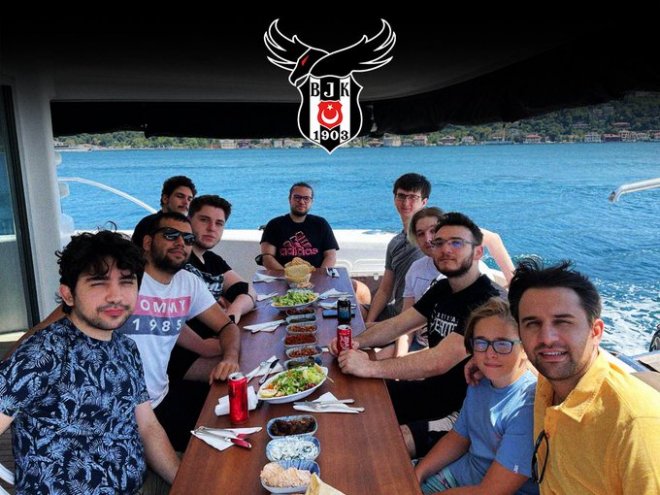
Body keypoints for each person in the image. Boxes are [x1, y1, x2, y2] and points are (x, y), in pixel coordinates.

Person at [0, 231, 179, 494]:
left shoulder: (126, 348)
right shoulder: (42, 354)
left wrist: (186, 482)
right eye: (98, 283)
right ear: (68, 294)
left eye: (126, 282)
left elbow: (148, 427)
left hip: (137, 484)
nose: (115, 296)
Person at [332, 212, 504, 457]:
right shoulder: (443, 289)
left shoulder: (489, 302)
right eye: (439, 243)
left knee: (386, 443)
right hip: (433, 392)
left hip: (464, 412)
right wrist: (353, 341)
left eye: (456, 242)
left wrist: (370, 367)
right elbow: (397, 325)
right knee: (358, 396)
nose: (445, 249)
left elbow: (438, 361)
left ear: (478, 252)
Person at [507, 258, 660, 494]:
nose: (547, 338)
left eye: (563, 322)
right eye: (532, 324)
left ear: (595, 332)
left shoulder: (634, 424)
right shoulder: (548, 384)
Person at [118, 212, 241, 451]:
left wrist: (230, 358)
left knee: (231, 421)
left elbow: (227, 326)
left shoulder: (187, 282)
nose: (180, 243)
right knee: (208, 451)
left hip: (161, 397)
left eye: (188, 239)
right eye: (171, 235)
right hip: (124, 411)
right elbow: (64, 320)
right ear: (147, 242)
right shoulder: (122, 281)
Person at [415, 297, 538, 495]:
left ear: (525, 348)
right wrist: (417, 475)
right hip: (461, 474)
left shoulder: (526, 408)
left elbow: (490, 491)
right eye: (481, 343)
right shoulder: (480, 381)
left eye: (503, 344)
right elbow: (459, 437)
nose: (489, 353)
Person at [396, 207, 515, 356]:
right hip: (424, 344)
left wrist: (514, 281)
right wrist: (399, 355)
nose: (428, 239)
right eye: (420, 234)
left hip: (448, 354)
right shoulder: (423, 275)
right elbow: (404, 324)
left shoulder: (473, 282)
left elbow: (456, 348)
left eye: (433, 231)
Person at [168, 194, 256, 383]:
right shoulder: (177, 260)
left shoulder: (212, 260)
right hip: (182, 355)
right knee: (255, 367)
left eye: (219, 223)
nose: (211, 228)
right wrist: (204, 345)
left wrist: (232, 312)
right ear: (189, 220)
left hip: (220, 338)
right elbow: (165, 313)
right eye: (204, 220)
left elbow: (247, 291)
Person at [362, 173, 429, 323]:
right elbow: (385, 291)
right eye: (401, 196)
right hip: (395, 312)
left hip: (417, 318)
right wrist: (369, 323)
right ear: (394, 199)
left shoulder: (431, 238)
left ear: (424, 202)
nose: (406, 202)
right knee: (351, 312)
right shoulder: (395, 243)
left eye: (413, 197)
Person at [259, 182, 339, 270]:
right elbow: (267, 257)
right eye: (297, 197)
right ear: (289, 199)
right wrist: (287, 275)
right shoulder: (274, 225)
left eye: (306, 198)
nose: (301, 202)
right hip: (282, 276)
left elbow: (330, 255)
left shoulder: (321, 224)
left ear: (311, 201)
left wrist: (319, 275)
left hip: (316, 275)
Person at [132, 175, 197, 249]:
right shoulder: (148, 224)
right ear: (165, 199)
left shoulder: (190, 226)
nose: (186, 202)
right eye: (180, 196)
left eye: (189, 199)